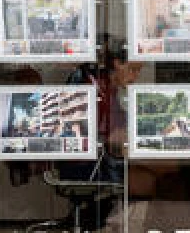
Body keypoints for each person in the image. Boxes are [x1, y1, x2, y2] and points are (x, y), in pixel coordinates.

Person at [59, 33, 177, 230]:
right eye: (132, 69)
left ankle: (129, 222)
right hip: (87, 165)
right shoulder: (93, 88)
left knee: (168, 169)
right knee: (164, 172)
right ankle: (123, 222)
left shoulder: (108, 89)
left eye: (138, 71)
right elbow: (108, 136)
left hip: (104, 158)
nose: (135, 77)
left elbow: (120, 125)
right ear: (117, 64)